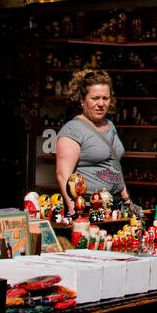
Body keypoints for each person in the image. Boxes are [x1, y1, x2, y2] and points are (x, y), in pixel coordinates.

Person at [55, 69, 131, 213]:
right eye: (95, 98)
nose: (101, 104)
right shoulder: (73, 130)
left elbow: (115, 166)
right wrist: (75, 212)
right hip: (89, 206)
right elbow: (63, 175)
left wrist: (127, 200)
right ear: (82, 100)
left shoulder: (110, 125)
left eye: (105, 98)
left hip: (115, 205)